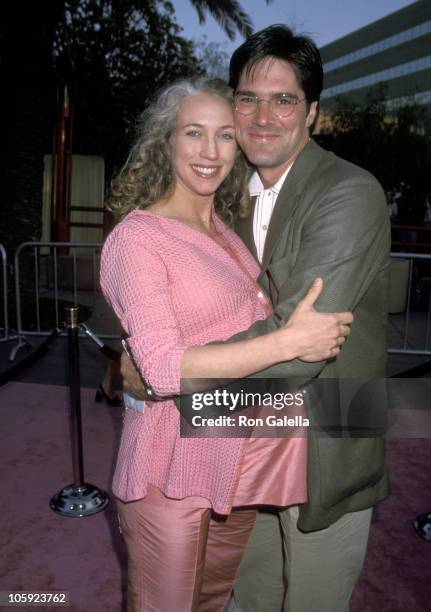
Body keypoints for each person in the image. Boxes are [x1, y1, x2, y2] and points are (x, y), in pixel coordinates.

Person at [122, 25, 391, 612]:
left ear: (312, 113)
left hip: (328, 435)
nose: (263, 116)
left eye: (285, 99)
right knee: (248, 596)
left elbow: (298, 351)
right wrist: (143, 358)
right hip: (247, 440)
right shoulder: (227, 198)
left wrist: (166, 386)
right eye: (248, 98)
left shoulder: (349, 192)